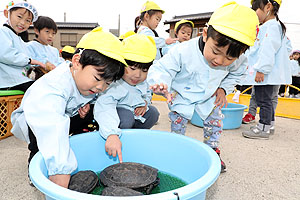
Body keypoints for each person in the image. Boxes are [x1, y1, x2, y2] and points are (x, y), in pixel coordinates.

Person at [147, 2, 259, 173]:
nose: (220, 61)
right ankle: (175, 149)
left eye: (229, 58)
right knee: (178, 123)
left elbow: (237, 74)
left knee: (215, 123)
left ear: (242, 53)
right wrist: (161, 82)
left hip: (209, 96)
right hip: (182, 95)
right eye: (215, 52)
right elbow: (162, 68)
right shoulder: (183, 51)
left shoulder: (240, 61)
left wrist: (223, 89)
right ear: (206, 34)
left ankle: (213, 150)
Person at [11, 27, 126, 188]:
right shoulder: (54, 86)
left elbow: (105, 105)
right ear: (77, 61)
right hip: (37, 122)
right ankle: (35, 164)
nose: (101, 87)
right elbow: (51, 125)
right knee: (46, 146)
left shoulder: (92, 84)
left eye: (107, 83)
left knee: (93, 113)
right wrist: (60, 169)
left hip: (68, 115)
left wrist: (112, 133)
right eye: (97, 78)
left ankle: (76, 148)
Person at [94, 34, 159, 161]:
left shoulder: (143, 82)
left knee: (153, 113)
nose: (138, 75)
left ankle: (134, 137)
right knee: (127, 118)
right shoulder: (114, 83)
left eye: (144, 70)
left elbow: (147, 93)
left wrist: (144, 103)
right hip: (116, 116)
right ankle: (119, 139)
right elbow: (105, 106)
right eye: (132, 68)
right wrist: (111, 133)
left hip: (135, 112)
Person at [242, 0, 292, 139]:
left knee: (263, 100)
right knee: (267, 100)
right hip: (269, 73)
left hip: (265, 73)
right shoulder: (274, 26)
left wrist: (261, 69)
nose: (254, 14)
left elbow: (267, 50)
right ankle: (270, 125)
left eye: (255, 10)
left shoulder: (271, 26)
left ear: (268, 7)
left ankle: (263, 128)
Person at [0, 1, 45, 92]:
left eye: (27, 20)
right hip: (9, 81)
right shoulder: (3, 32)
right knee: (42, 90)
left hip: (19, 80)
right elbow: (5, 54)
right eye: (19, 17)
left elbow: (24, 65)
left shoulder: (19, 39)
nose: (22, 22)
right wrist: (30, 60)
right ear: (6, 13)